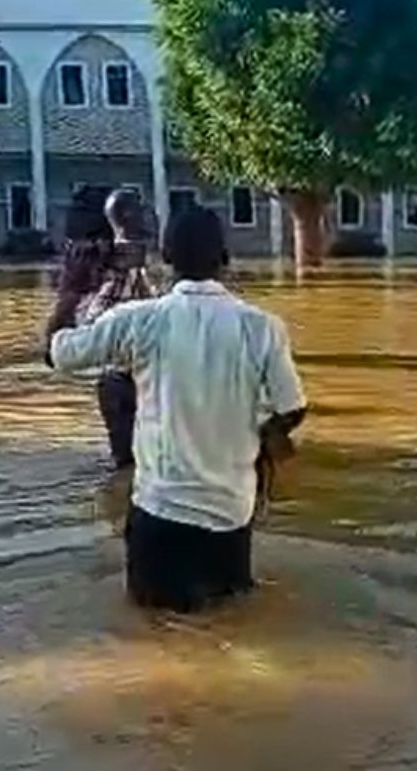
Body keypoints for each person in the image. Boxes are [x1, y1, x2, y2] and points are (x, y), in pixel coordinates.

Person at [45, 206, 308, 611]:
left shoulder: (139, 320)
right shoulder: (262, 328)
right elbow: (293, 408)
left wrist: (70, 291)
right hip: (230, 518)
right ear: (225, 257)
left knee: (155, 638)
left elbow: (57, 354)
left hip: (159, 515)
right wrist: (266, 438)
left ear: (164, 256)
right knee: (229, 628)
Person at [44, 188, 155, 468]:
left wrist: (70, 294)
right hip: (135, 383)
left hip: (130, 381)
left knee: (132, 467)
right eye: (139, 208)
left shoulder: (126, 274)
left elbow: (58, 353)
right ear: (126, 217)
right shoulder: (127, 275)